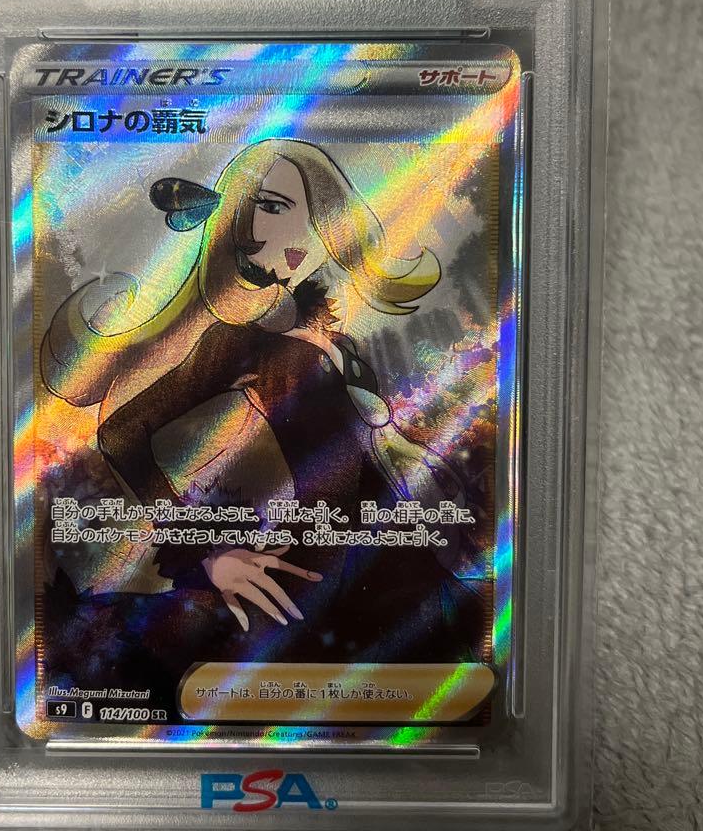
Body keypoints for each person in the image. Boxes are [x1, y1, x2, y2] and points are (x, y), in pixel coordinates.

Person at [39, 139, 485, 702]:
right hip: (292, 581)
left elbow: (360, 446)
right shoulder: (222, 337)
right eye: (270, 206)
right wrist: (206, 553)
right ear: (229, 217)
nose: (294, 241)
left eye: (313, 223)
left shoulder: (312, 336)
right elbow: (122, 432)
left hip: (379, 564)